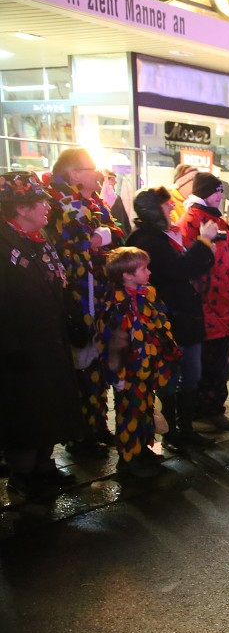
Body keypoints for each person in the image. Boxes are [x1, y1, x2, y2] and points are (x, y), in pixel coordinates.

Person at [0, 171, 81, 499]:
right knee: (26, 410)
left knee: (51, 404)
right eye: (39, 201)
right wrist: (10, 346)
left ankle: (44, 465)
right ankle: (23, 473)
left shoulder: (38, 236)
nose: (47, 205)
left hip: (49, 338)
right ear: (20, 209)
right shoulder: (4, 243)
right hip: (21, 346)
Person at [44, 147, 123, 459]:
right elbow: (67, 242)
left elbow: (116, 233)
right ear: (74, 173)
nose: (97, 172)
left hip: (99, 293)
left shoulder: (95, 200)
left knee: (97, 366)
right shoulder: (55, 200)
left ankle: (97, 424)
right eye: (90, 168)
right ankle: (80, 436)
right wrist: (95, 239)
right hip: (75, 297)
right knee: (79, 366)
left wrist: (100, 236)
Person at [125, 186, 217, 453]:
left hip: (181, 316)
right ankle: (175, 432)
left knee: (190, 375)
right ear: (155, 209)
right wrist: (203, 242)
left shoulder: (161, 236)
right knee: (174, 375)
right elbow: (179, 269)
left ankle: (184, 429)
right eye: (166, 206)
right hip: (169, 318)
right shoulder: (147, 240)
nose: (172, 209)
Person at [98, 247, 180, 477]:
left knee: (145, 408)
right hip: (129, 370)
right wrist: (117, 375)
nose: (149, 272)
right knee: (129, 411)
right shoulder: (116, 304)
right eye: (143, 268)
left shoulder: (146, 296)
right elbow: (114, 342)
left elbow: (157, 326)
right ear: (127, 274)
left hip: (147, 366)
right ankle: (128, 458)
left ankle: (143, 448)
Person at [178, 172, 229, 431]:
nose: (220, 195)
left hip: (225, 307)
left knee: (217, 362)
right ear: (204, 192)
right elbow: (199, 271)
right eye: (216, 191)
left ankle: (214, 407)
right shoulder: (192, 221)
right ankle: (205, 410)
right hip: (208, 308)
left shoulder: (218, 220)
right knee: (207, 363)